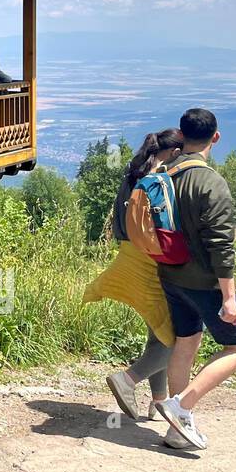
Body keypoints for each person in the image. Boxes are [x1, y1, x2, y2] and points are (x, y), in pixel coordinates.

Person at [154, 108, 236, 450]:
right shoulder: (211, 183)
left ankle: (175, 430)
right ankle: (180, 406)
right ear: (216, 137)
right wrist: (228, 298)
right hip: (205, 282)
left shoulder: (165, 173)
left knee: (186, 341)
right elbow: (221, 246)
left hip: (170, 274)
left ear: (180, 137)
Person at [84, 129, 182, 423]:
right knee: (175, 340)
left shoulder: (135, 173)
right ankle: (128, 379)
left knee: (159, 330)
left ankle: (159, 401)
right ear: (175, 152)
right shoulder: (162, 178)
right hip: (151, 263)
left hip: (129, 256)